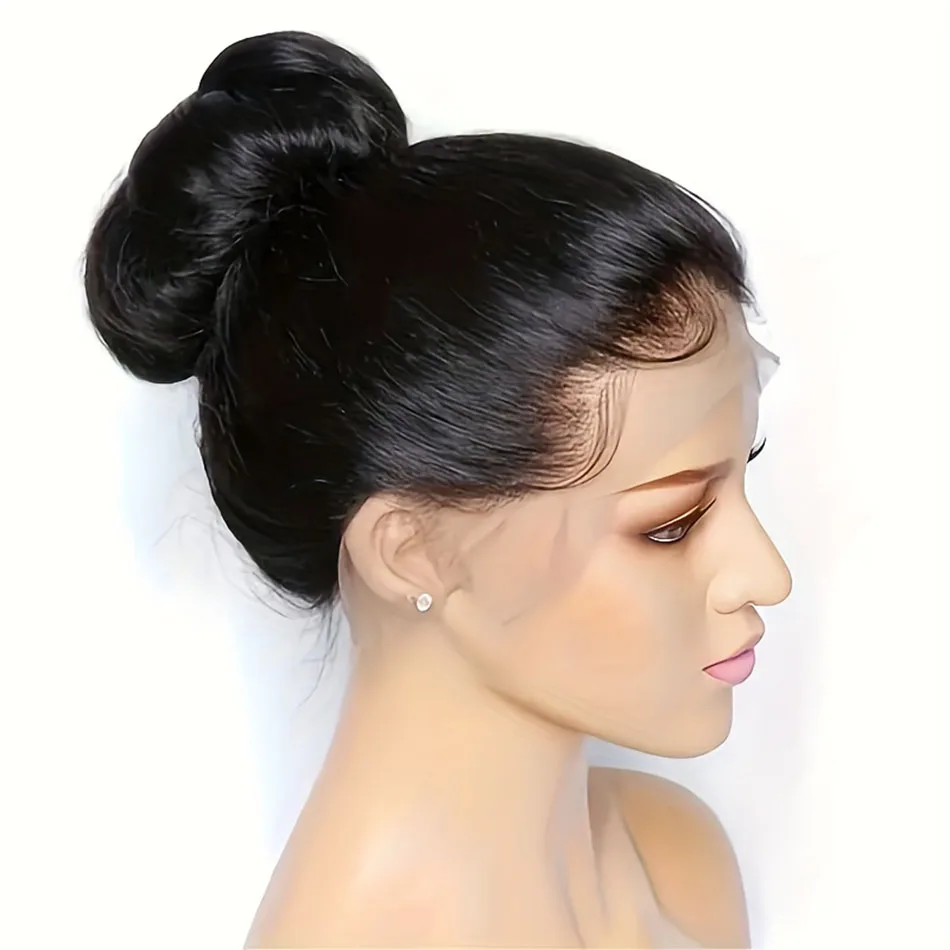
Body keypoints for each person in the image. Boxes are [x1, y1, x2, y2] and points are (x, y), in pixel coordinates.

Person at [83, 30, 792, 948]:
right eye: (672, 524)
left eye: (744, 473)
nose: (767, 575)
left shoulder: (676, 856)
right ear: (412, 549)